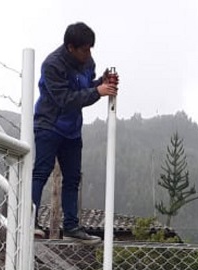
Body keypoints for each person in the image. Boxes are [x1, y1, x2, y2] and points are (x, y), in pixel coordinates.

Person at [32, 21, 119, 243]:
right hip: (48, 124)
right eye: (84, 49)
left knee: (72, 178)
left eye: (90, 48)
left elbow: (85, 86)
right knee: (42, 171)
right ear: (71, 47)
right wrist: (98, 92)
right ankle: (29, 219)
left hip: (71, 130)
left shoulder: (88, 61)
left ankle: (71, 226)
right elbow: (65, 99)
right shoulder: (52, 65)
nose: (88, 53)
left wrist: (102, 82)